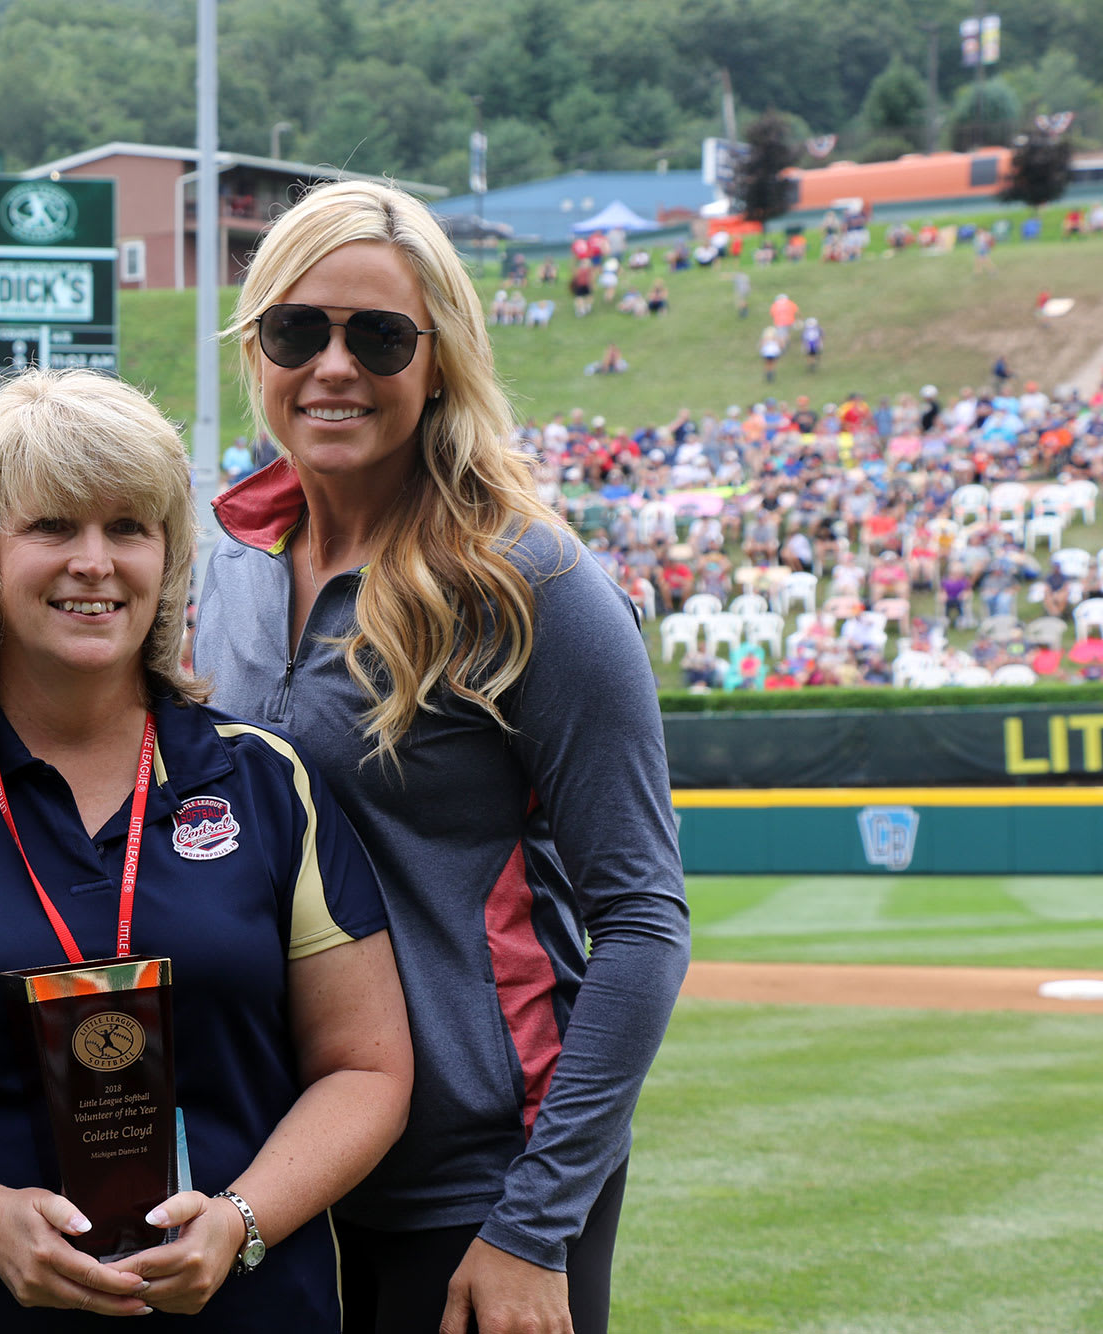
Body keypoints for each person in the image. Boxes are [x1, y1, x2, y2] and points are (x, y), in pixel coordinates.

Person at [0, 368, 413, 1330]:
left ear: (167, 556)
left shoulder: (266, 781)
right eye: (51, 528)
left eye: (129, 528)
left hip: (243, 1307)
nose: (95, 561)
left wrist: (244, 1218)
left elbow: (367, 1068)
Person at [198, 181, 689, 1334]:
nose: (332, 365)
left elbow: (642, 920)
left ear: (438, 361)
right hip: (274, 1166)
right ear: (254, 347)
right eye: (294, 329)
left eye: (377, 335)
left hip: (476, 1181)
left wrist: (536, 1221)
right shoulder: (219, 558)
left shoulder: (532, 584)